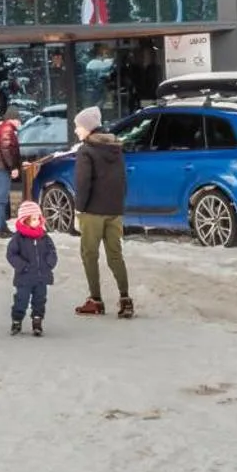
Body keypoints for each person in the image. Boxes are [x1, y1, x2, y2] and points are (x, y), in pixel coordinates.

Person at [71, 106, 133, 319]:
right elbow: (122, 180)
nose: (76, 131)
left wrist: (79, 207)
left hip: (92, 211)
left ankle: (95, 300)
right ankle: (125, 299)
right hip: (114, 210)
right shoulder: (115, 148)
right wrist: (118, 204)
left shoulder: (86, 151)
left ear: (88, 128)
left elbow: (83, 182)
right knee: (115, 255)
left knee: (89, 254)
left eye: (78, 127)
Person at [6, 200, 58, 336]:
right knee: (21, 299)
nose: (36, 221)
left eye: (38, 218)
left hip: (41, 277)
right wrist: (22, 266)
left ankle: (37, 320)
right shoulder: (19, 238)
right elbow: (11, 254)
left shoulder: (44, 237)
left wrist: (49, 263)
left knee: (40, 300)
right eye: (33, 219)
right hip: (24, 277)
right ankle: (17, 320)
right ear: (25, 221)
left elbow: (52, 251)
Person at [0, 106, 23, 238]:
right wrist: (13, 167)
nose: (20, 123)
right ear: (13, 119)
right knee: (1, 200)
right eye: (19, 120)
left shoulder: (1, 128)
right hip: (1, 169)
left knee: (2, 199)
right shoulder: (7, 129)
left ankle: (2, 227)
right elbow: (6, 151)